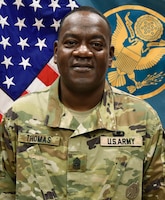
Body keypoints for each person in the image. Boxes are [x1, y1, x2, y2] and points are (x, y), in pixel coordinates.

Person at [0, 6, 164, 200]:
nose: (83, 52)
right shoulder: (19, 116)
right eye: (71, 42)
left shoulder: (143, 118)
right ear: (56, 51)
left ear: (110, 55)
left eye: (96, 45)